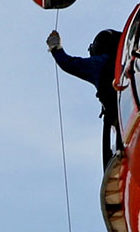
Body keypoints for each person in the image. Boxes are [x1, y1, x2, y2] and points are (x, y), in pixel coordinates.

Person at [47, 29, 121, 166]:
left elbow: (69, 63)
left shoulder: (100, 64)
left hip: (123, 120)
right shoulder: (134, 57)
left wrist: (55, 48)